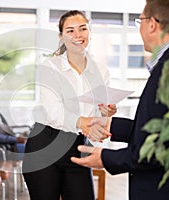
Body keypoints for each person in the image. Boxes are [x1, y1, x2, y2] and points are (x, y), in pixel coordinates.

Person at [71, 1, 169, 200]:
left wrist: (105, 158)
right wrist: (112, 124)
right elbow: (162, 131)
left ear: (152, 24)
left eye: (139, 20)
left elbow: (161, 147)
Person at [22, 10, 116, 200]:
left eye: (82, 29)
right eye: (70, 31)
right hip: (44, 146)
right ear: (61, 36)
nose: (77, 35)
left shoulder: (101, 71)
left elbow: (98, 116)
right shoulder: (50, 67)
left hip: (77, 147)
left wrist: (106, 113)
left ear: (90, 32)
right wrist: (82, 121)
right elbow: (52, 110)